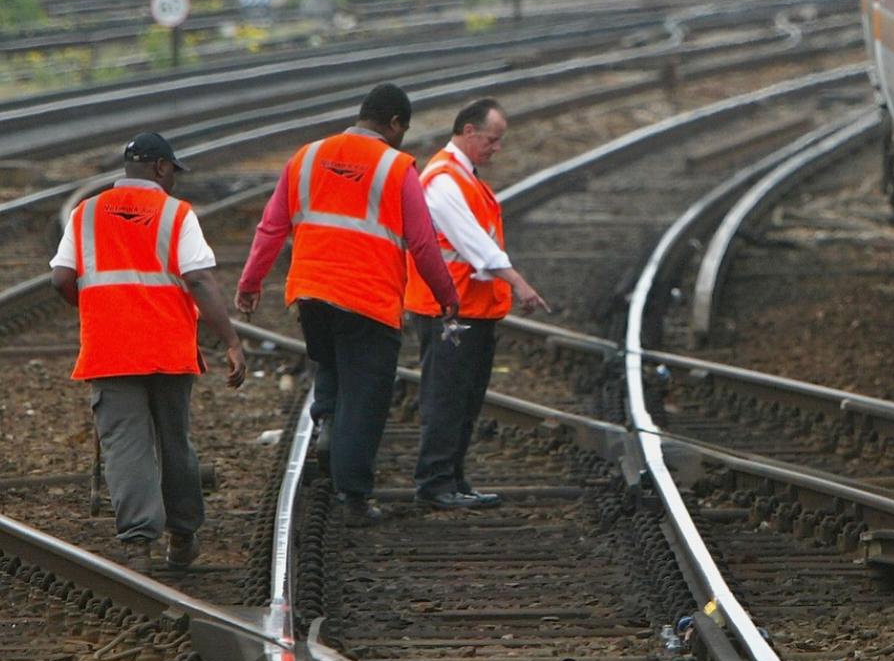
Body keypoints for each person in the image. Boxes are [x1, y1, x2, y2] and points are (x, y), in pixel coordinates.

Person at [235, 83, 459, 526]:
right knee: (367, 396)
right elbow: (422, 241)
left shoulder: (308, 156)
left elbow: (271, 226)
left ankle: (326, 426)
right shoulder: (396, 168)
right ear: (394, 123)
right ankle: (354, 496)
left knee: (332, 364)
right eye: (403, 130)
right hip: (368, 298)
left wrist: (250, 281)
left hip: (312, 293)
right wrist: (446, 294)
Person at [49, 132, 247, 572]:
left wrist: (99, 309)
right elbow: (199, 280)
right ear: (160, 168)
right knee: (174, 440)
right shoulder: (176, 214)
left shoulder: (85, 214)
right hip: (168, 347)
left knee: (125, 444)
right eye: (173, 171)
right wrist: (231, 340)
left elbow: (61, 279)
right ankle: (182, 535)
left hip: (110, 349)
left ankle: (138, 543)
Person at [405, 98, 549, 509]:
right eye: (492, 139)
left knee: (465, 398)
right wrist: (518, 282)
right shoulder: (443, 181)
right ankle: (434, 484)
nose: (496, 147)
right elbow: (474, 244)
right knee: (447, 397)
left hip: (471, 308)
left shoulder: (465, 177)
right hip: (448, 310)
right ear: (468, 132)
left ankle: (453, 478)